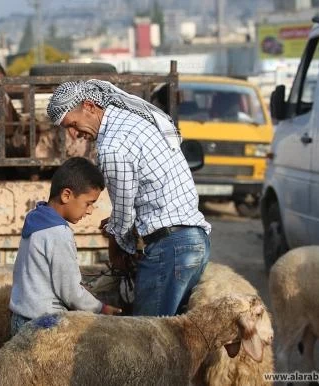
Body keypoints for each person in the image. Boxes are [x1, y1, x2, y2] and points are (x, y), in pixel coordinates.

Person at [46, 80, 211, 317]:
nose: (74, 134)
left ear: (90, 106)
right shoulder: (133, 121)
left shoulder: (113, 146)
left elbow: (124, 214)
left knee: (147, 339)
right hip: (192, 242)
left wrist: (119, 247)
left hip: (172, 249)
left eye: (73, 124)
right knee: (173, 337)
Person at [9, 157, 122, 336]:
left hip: (19, 320)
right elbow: (70, 292)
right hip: (43, 326)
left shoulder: (37, 219)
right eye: (89, 203)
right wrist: (101, 308)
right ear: (66, 195)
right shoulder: (58, 232)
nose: (90, 210)